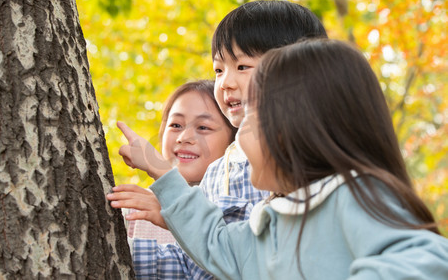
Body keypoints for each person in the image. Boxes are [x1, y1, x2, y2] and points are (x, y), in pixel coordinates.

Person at [109, 39, 448, 279]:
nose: (239, 133)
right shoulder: (269, 221)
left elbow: (423, 261)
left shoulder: (353, 195)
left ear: (299, 129)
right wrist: (168, 180)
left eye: (253, 116)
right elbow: (215, 244)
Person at [109, 0, 327, 279]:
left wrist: (162, 177)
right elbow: (198, 266)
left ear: (295, 71)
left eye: (243, 66)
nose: (225, 83)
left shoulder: (307, 163)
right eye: (219, 70)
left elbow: (239, 252)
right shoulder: (217, 172)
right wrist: (111, 250)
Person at [123, 80, 236, 244]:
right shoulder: (135, 209)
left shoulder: (238, 210)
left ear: (233, 141)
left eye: (203, 127)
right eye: (176, 125)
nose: (184, 138)